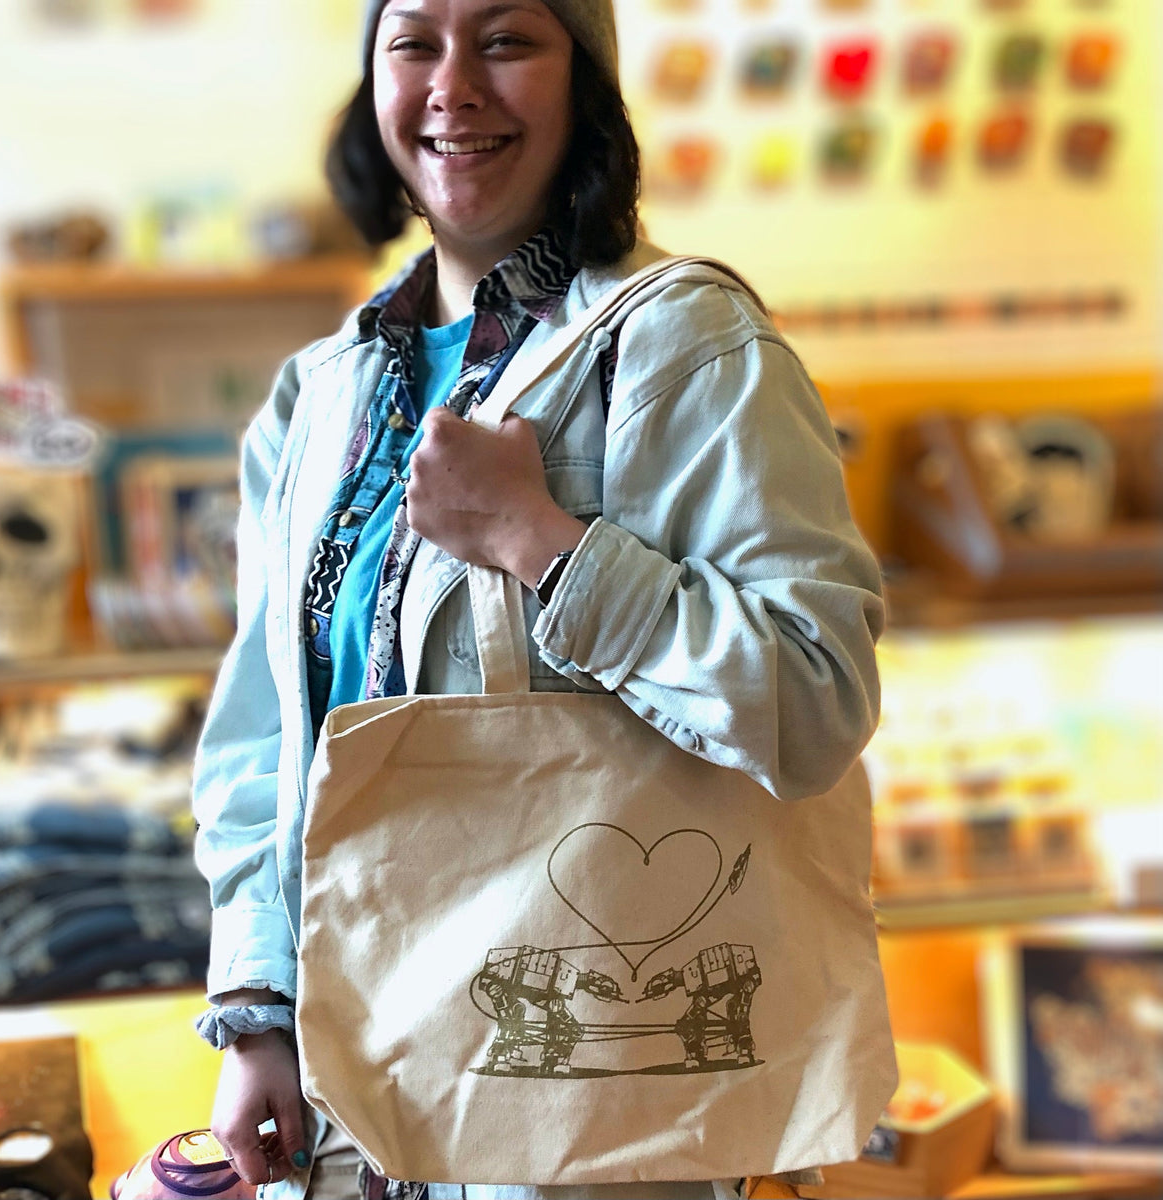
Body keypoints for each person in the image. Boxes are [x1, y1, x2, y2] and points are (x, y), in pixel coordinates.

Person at [191, 0, 885, 1197]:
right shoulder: (323, 392)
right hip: (358, 1092)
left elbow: (816, 696)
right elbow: (268, 737)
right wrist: (257, 1008)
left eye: (507, 41)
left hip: (599, 1102)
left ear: (589, 83)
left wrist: (547, 545)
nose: (453, 87)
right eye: (414, 44)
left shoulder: (688, 344)